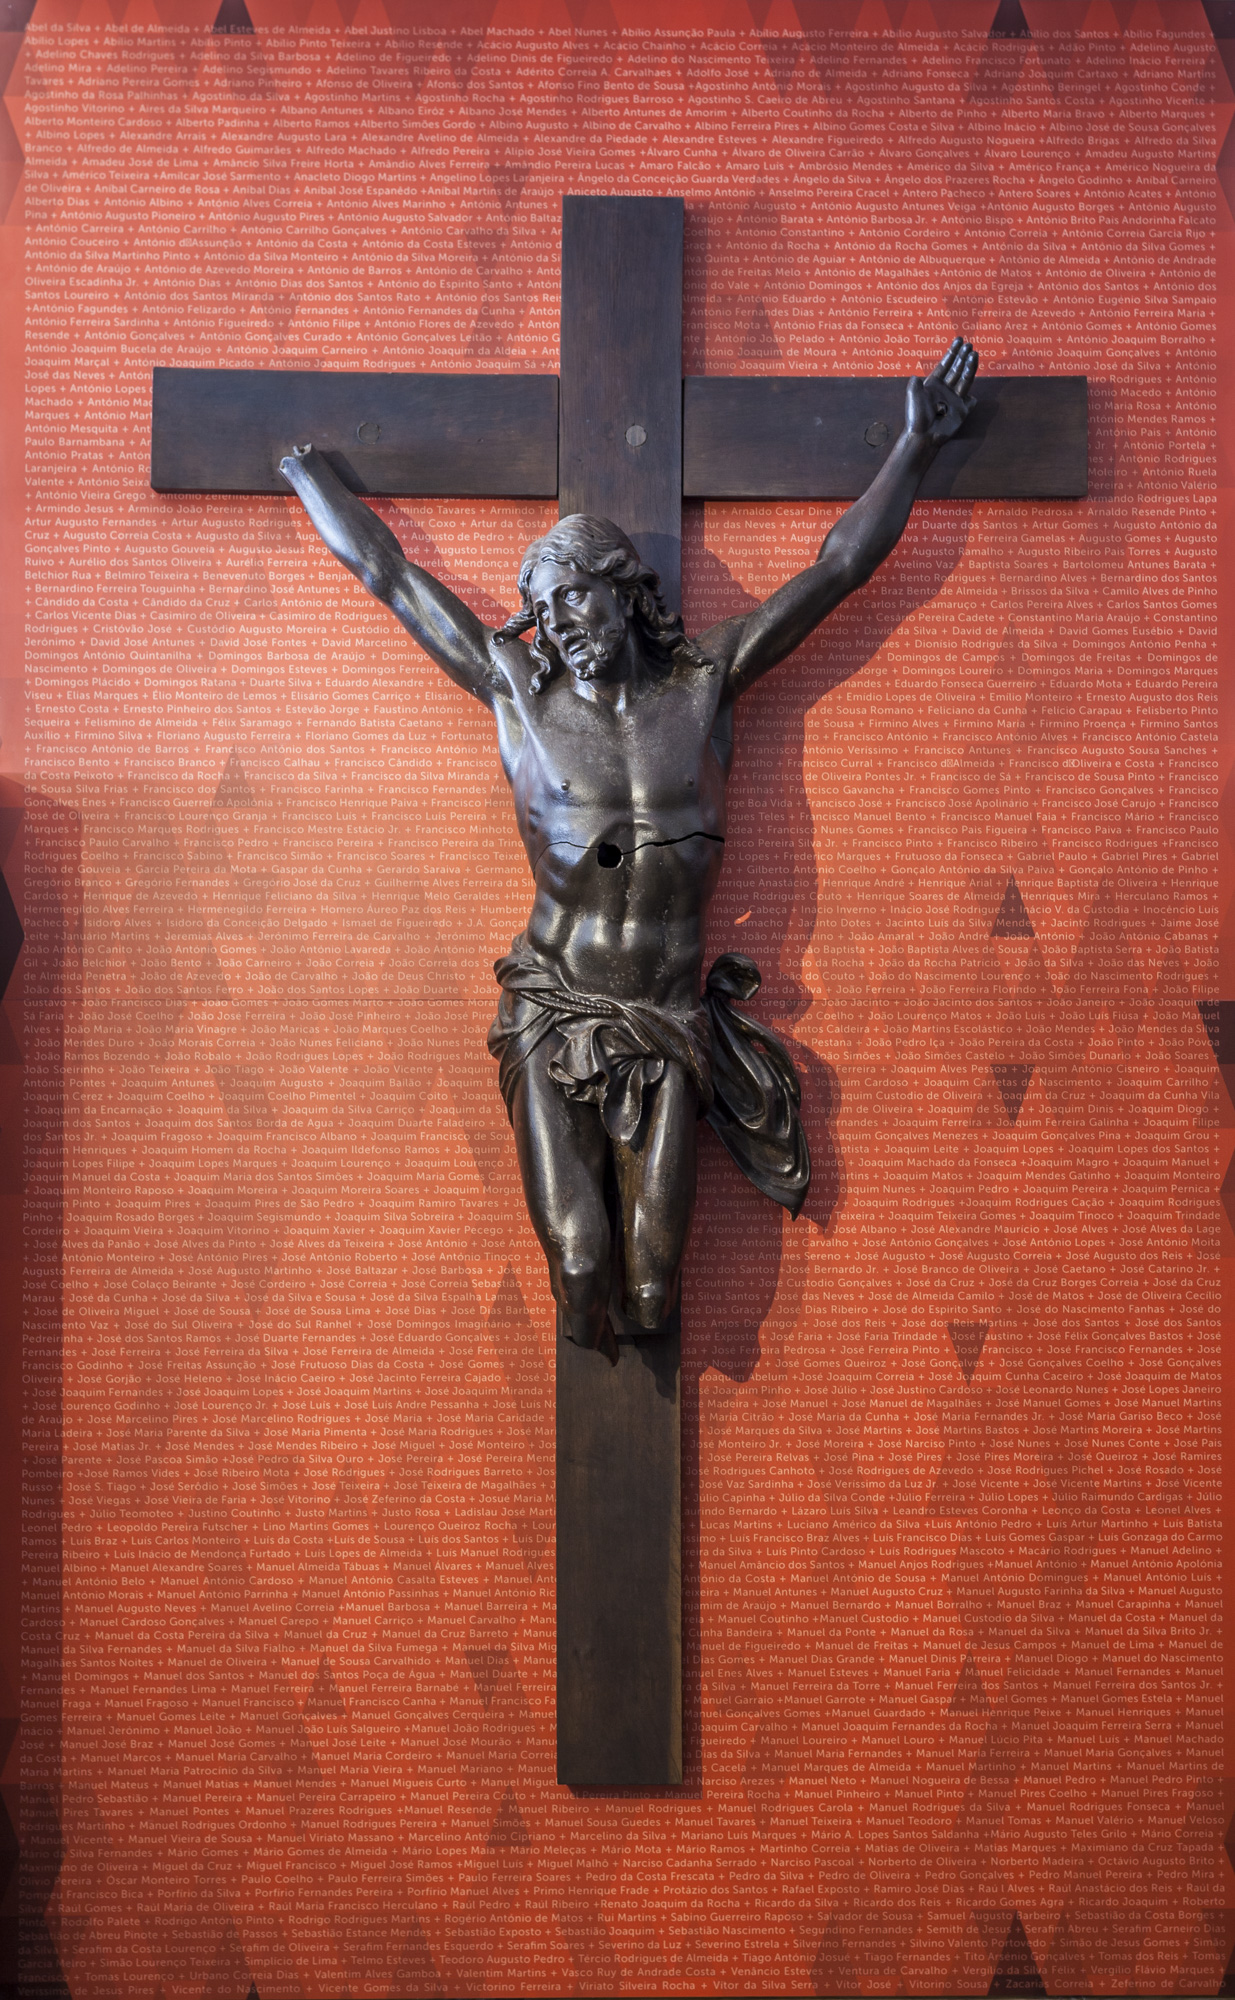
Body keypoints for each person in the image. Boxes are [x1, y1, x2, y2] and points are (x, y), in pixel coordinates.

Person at [279, 339, 979, 1362]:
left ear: (620, 587)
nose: (559, 625)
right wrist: (305, 475)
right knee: (578, 1264)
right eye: (543, 612)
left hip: (665, 1013)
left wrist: (914, 445)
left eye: (573, 597)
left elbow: (834, 570)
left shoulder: (704, 682)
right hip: (553, 1001)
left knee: (652, 1289)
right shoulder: (519, 696)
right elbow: (391, 577)